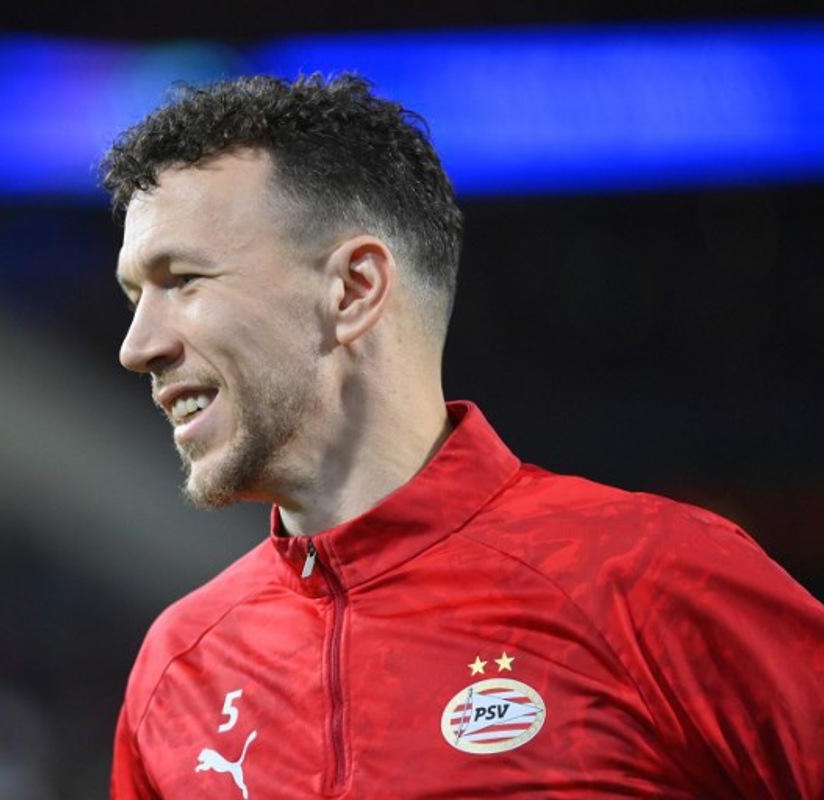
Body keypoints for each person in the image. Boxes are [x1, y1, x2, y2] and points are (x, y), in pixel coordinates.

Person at [100, 74, 824, 799]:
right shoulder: (180, 670)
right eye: (136, 296)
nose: (138, 346)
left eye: (183, 280)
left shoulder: (649, 583)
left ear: (352, 290)